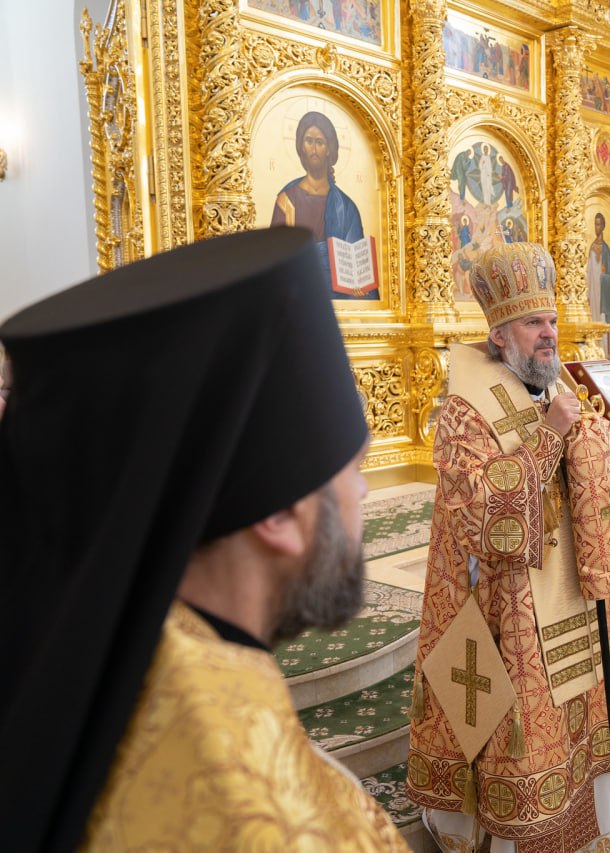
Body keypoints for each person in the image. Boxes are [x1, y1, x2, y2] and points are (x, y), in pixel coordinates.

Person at [0, 228, 406, 850]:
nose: (365, 494)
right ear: (278, 518)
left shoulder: (101, 664)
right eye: (353, 470)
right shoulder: (256, 815)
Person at [406, 242, 610, 853]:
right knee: (510, 729)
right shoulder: (466, 405)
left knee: (576, 716)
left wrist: (579, 435)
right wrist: (552, 437)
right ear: (500, 331)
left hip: (567, 584)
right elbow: (481, 514)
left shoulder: (551, 385)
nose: (549, 334)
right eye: (535, 323)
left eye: (553, 321)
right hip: (504, 601)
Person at [270, 111, 371, 298]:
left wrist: (359, 286)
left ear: (329, 149)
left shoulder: (346, 207)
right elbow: (275, 262)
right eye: (309, 141)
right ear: (301, 147)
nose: (314, 149)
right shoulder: (287, 200)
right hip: (299, 294)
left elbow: (358, 266)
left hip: (341, 298)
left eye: (320, 142)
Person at [587, 211, 610, 354]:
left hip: (602, 296)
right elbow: (588, 271)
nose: (597, 227)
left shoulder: (606, 249)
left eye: (599, 224)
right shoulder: (592, 247)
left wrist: (603, 277)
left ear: (603, 226)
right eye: (595, 224)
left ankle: (604, 351)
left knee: (603, 320)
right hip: (593, 293)